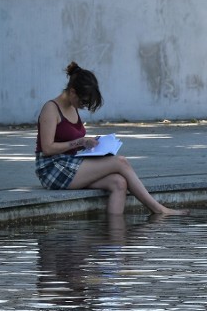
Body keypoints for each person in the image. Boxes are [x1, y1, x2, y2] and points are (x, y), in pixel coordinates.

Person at [35, 62, 189, 216]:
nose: (84, 106)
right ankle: (159, 210)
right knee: (120, 162)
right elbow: (47, 149)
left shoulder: (73, 107)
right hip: (52, 169)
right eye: (83, 101)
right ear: (73, 92)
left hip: (70, 163)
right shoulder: (51, 109)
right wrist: (80, 142)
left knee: (119, 183)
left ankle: (114, 235)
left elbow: (71, 141)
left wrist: (92, 145)